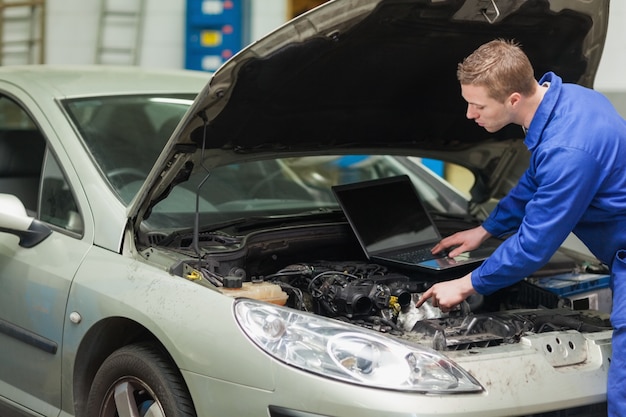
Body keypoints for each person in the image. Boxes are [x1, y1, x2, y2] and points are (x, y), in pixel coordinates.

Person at [415, 39, 626, 415]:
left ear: (513, 99)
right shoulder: (572, 100)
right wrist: (485, 230)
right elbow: (534, 181)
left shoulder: (568, 151)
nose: (468, 114)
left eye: (477, 105)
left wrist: (465, 284)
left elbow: (533, 245)